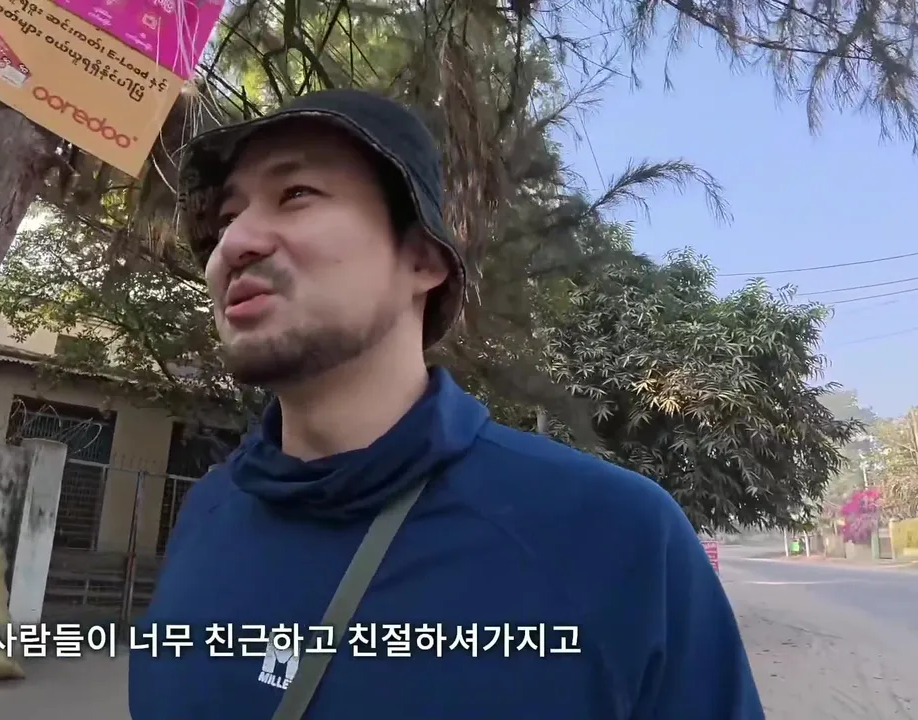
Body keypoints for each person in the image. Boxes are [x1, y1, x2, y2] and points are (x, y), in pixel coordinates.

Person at [128, 88, 764, 720]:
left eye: (295, 194)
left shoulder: (616, 539)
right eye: (227, 219)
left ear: (423, 260)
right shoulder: (207, 515)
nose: (233, 244)